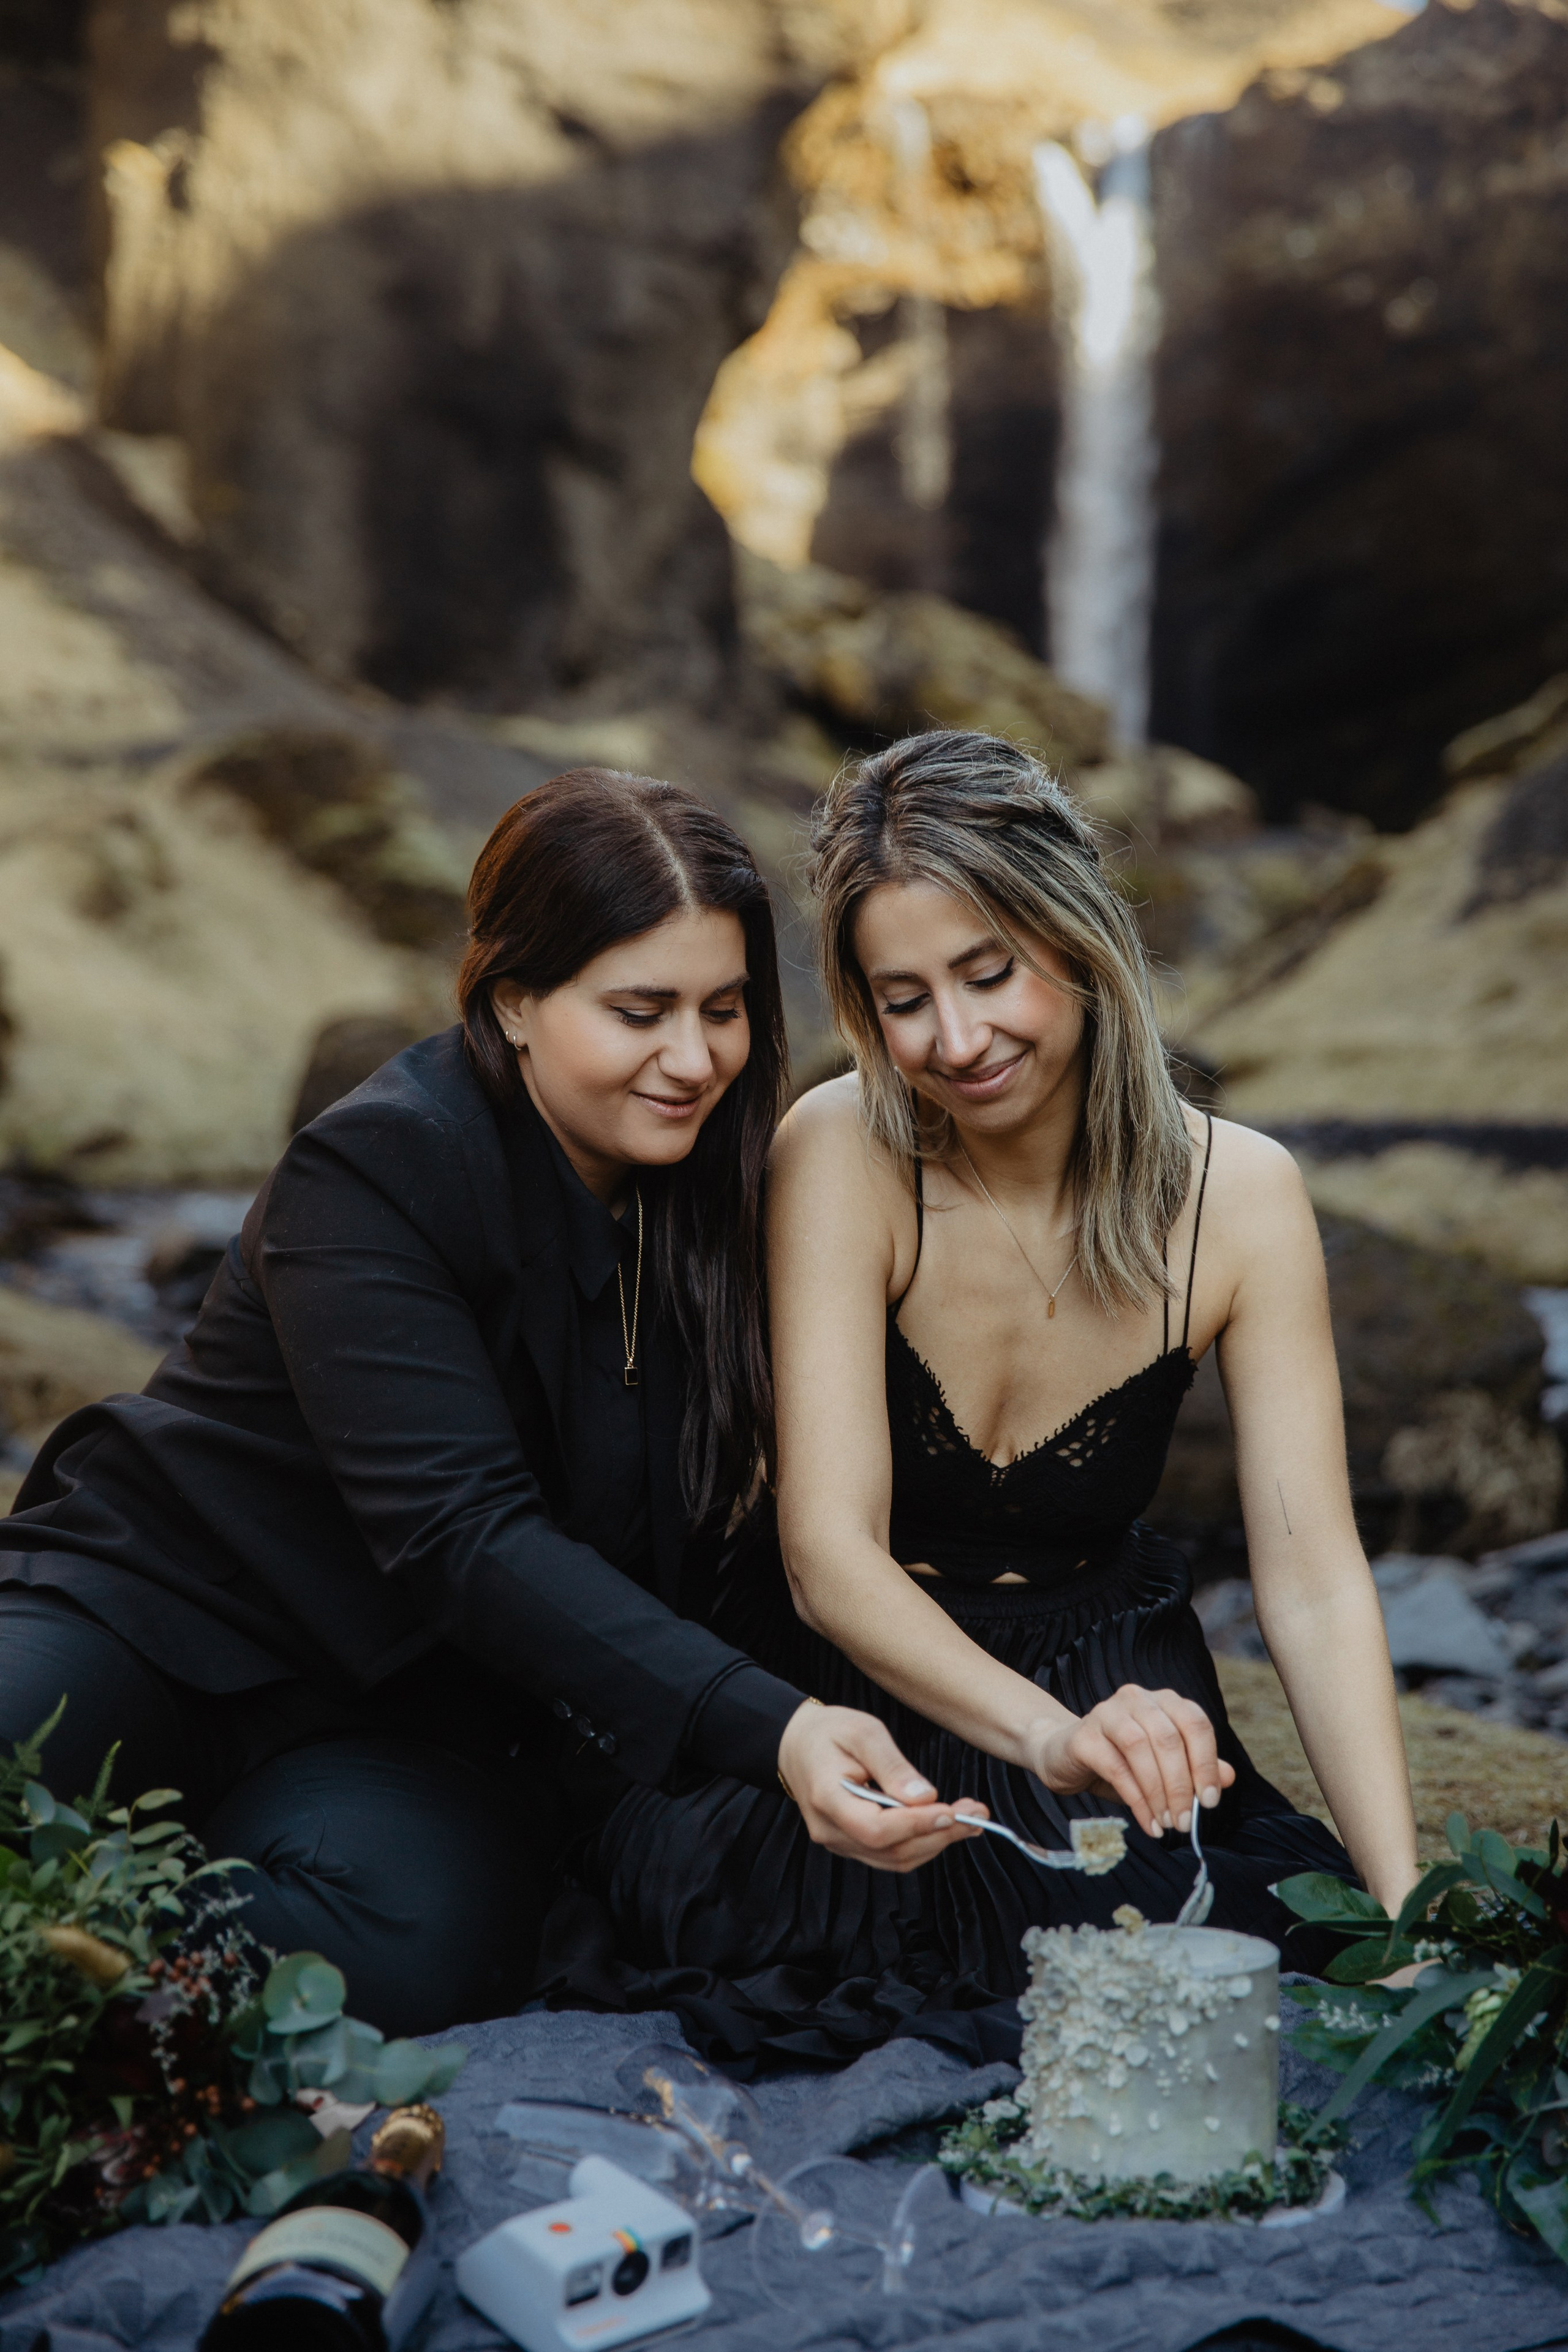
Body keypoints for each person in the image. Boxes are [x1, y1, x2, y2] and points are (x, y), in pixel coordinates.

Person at [0, 767, 981, 2038]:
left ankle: (103, 1940)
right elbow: (458, 1533)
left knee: (424, 1948)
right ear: (513, 999)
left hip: (419, 1720)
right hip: (165, 1618)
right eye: (639, 1011)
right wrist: (772, 1730)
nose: (693, 1060)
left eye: (724, 1010)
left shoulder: (735, 1193)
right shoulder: (376, 1167)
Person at [542, 731, 1420, 2068]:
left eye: (986, 973)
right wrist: (1048, 1741)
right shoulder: (840, 1149)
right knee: (776, 1926)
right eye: (902, 1000)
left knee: (1180, 1944)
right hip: (852, 1671)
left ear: (1071, 941)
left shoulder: (1240, 1199)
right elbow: (825, 1552)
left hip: (1105, 1672)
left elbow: (1308, 1580)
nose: (954, 1040)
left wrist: (1406, 1904)